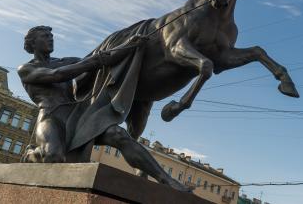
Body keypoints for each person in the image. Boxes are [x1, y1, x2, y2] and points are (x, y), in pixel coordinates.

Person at [18, 25, 189, 191]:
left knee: (118, 134)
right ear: (32, 43)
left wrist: (128, 47)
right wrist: (96, 61)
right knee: (53, 157)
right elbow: (59, 75)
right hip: (51, 117)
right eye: (45, 36)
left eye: (51, 36)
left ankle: (166, 180)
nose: (50, 39)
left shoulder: (64, 61)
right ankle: (32, 153)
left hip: (77, 116)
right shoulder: (26, 69)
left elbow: (103, 59)